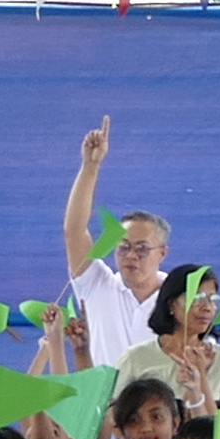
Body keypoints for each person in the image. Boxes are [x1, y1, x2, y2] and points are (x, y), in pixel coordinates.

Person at [60, 127, 170, 366]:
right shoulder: (97, 285)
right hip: (108, 402)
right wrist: (90, 166)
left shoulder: (179, 296)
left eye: (141, 248)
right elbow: (74, 231)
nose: (131, 255)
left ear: (162, 253)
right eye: (123, 247)